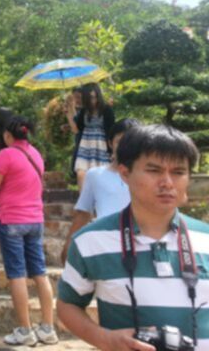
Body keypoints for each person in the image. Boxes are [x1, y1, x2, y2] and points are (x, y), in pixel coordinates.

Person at [57, 125, 209, 351]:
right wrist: (105, 340)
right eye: (154, 170)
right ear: (125, 173)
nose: (167, 182)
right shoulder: (89, 241)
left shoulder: (205, 237)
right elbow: (68, 305)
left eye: (178, 172)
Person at [0, 115, 59, 346]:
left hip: (11, 221)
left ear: (8, 135)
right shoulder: (36, 154)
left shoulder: (6, 154)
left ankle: (25, 330)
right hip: (35, 220)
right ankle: (48, 328)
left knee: (17, 274)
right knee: (39, 272)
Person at [60, 118, 140, 264]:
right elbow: (83, 213)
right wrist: (69, 245)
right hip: (106, 247)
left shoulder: (148, 177)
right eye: (120, 141)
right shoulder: (95, 175)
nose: (126, 147)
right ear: (110, 143)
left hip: (141, 246)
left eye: (133, 142)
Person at [66, 83, 115, 191]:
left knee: (100, 177)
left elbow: (112, 132)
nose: (94, 100)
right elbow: (76, 129)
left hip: (101, 147)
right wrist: (69, 109)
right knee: (81, 173)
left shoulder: (106, 110)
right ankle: (83, 205)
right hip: (85, 146)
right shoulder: (84, 111)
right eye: (90, 98)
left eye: (95, 97)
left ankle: (99, 204)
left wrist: (113, 151)